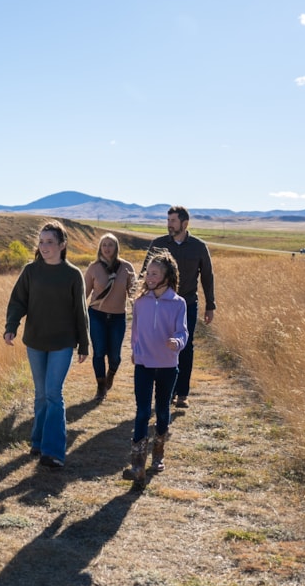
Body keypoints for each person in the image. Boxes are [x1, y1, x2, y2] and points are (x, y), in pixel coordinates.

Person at [4, 221, 90, 469]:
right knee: (40, 394)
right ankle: (38, 441)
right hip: (35, 341)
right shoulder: (31, 271)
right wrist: (11, 326)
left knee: (54, 394)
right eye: (41, 242)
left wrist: (84, 344)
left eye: (49, 242)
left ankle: (53, 452)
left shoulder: (73, 275)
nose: (44, 246)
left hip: (62, 344)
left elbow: (80, 312)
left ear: (62, 245)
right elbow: (18, 301)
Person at [142, 205, 215, 409]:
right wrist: (140, 299)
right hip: (160, 305)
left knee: (185, 347)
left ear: (184, 223)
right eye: (168, 221)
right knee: (162, 345)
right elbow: (144, 273)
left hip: (188, 304)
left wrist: (210, 305)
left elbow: (207, 276)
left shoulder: (198, 247)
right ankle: (167, 392)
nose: (169, 225)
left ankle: (182, 393)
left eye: (173, 221)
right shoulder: (158, 245)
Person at [128, 250, 188, 484]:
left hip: (166, 364)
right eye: (148, 273)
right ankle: (137, 463)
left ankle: (158, 452)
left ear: (167, 276)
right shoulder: (140, 301)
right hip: (143, 363)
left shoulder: (178, 303)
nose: (149, 277)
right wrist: (135, 351)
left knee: (162, 411)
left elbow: (182, 331)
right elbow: (135, 331)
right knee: (142, 411)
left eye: (154, 273)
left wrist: (177, 342)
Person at [84, 233, 135, 401]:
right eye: (104, 245)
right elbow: (84, 293)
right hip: (96, 314)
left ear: (116, 247)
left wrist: (141, 311)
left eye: (110, 245)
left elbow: (133, 293)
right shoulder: (93, 267)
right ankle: (100, 386)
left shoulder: (126, 267)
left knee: (115, 355)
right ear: (100, 248)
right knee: (98, 352)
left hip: (118, 317)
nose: (107, 248)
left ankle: (110, 374)